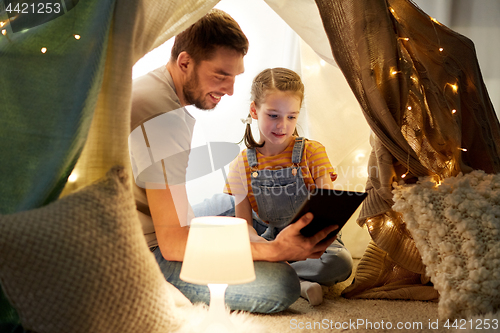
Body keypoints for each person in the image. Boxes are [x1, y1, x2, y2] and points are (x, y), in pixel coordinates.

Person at [128, 9, 338, 313]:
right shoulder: (164, 118)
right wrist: (275, 250)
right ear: (185, 62)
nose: (229, 90)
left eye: (234, 76)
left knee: (225, 209)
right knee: (281, 285)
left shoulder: (154, 89)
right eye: (221, 75)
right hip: (146, 251)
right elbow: (173, 244)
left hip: (158, 222)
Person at [224, 68, 353, 305]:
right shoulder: (240, 165)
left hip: (312, 242)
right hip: (272, 241)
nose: (282, 125)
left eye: (291, 117)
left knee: (340, 263)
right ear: (254, 110)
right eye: (273, 115)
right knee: (233, 254)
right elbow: (245, 228)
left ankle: (283, 275)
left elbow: (329, 208)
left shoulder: (312, 152)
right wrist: (269, 249)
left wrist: (303, 246)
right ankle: (299, 282)